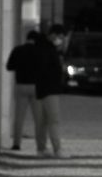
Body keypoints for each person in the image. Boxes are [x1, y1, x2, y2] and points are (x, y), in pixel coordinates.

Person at [24, 23, 69, 158]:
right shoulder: (48, 49)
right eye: (60, 37)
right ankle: (57, 150)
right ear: (53, 35)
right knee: (53, 120)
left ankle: (41, 149)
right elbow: (48, 68)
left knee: (42, 122)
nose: (60, 40)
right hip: (50, 88)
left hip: (41, 88)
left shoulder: (41, 46)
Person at [5, 28, 46, 151]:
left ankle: (17, 144)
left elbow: (9, 66)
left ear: (27, 39)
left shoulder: (18, 50)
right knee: (38, 118)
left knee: (19, 117)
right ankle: (40, 145)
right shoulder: (40, 51)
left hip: (21, 85)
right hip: (36, 87)